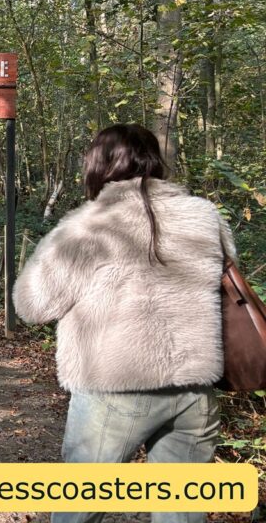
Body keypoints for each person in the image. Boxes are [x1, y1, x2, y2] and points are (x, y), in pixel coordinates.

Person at [13, 124, 236, 523]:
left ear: (98, 166)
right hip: (195, 391)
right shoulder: (205, 216)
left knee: (77, 511)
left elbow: (32, 305)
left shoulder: (88, 226)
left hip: (113, 391)